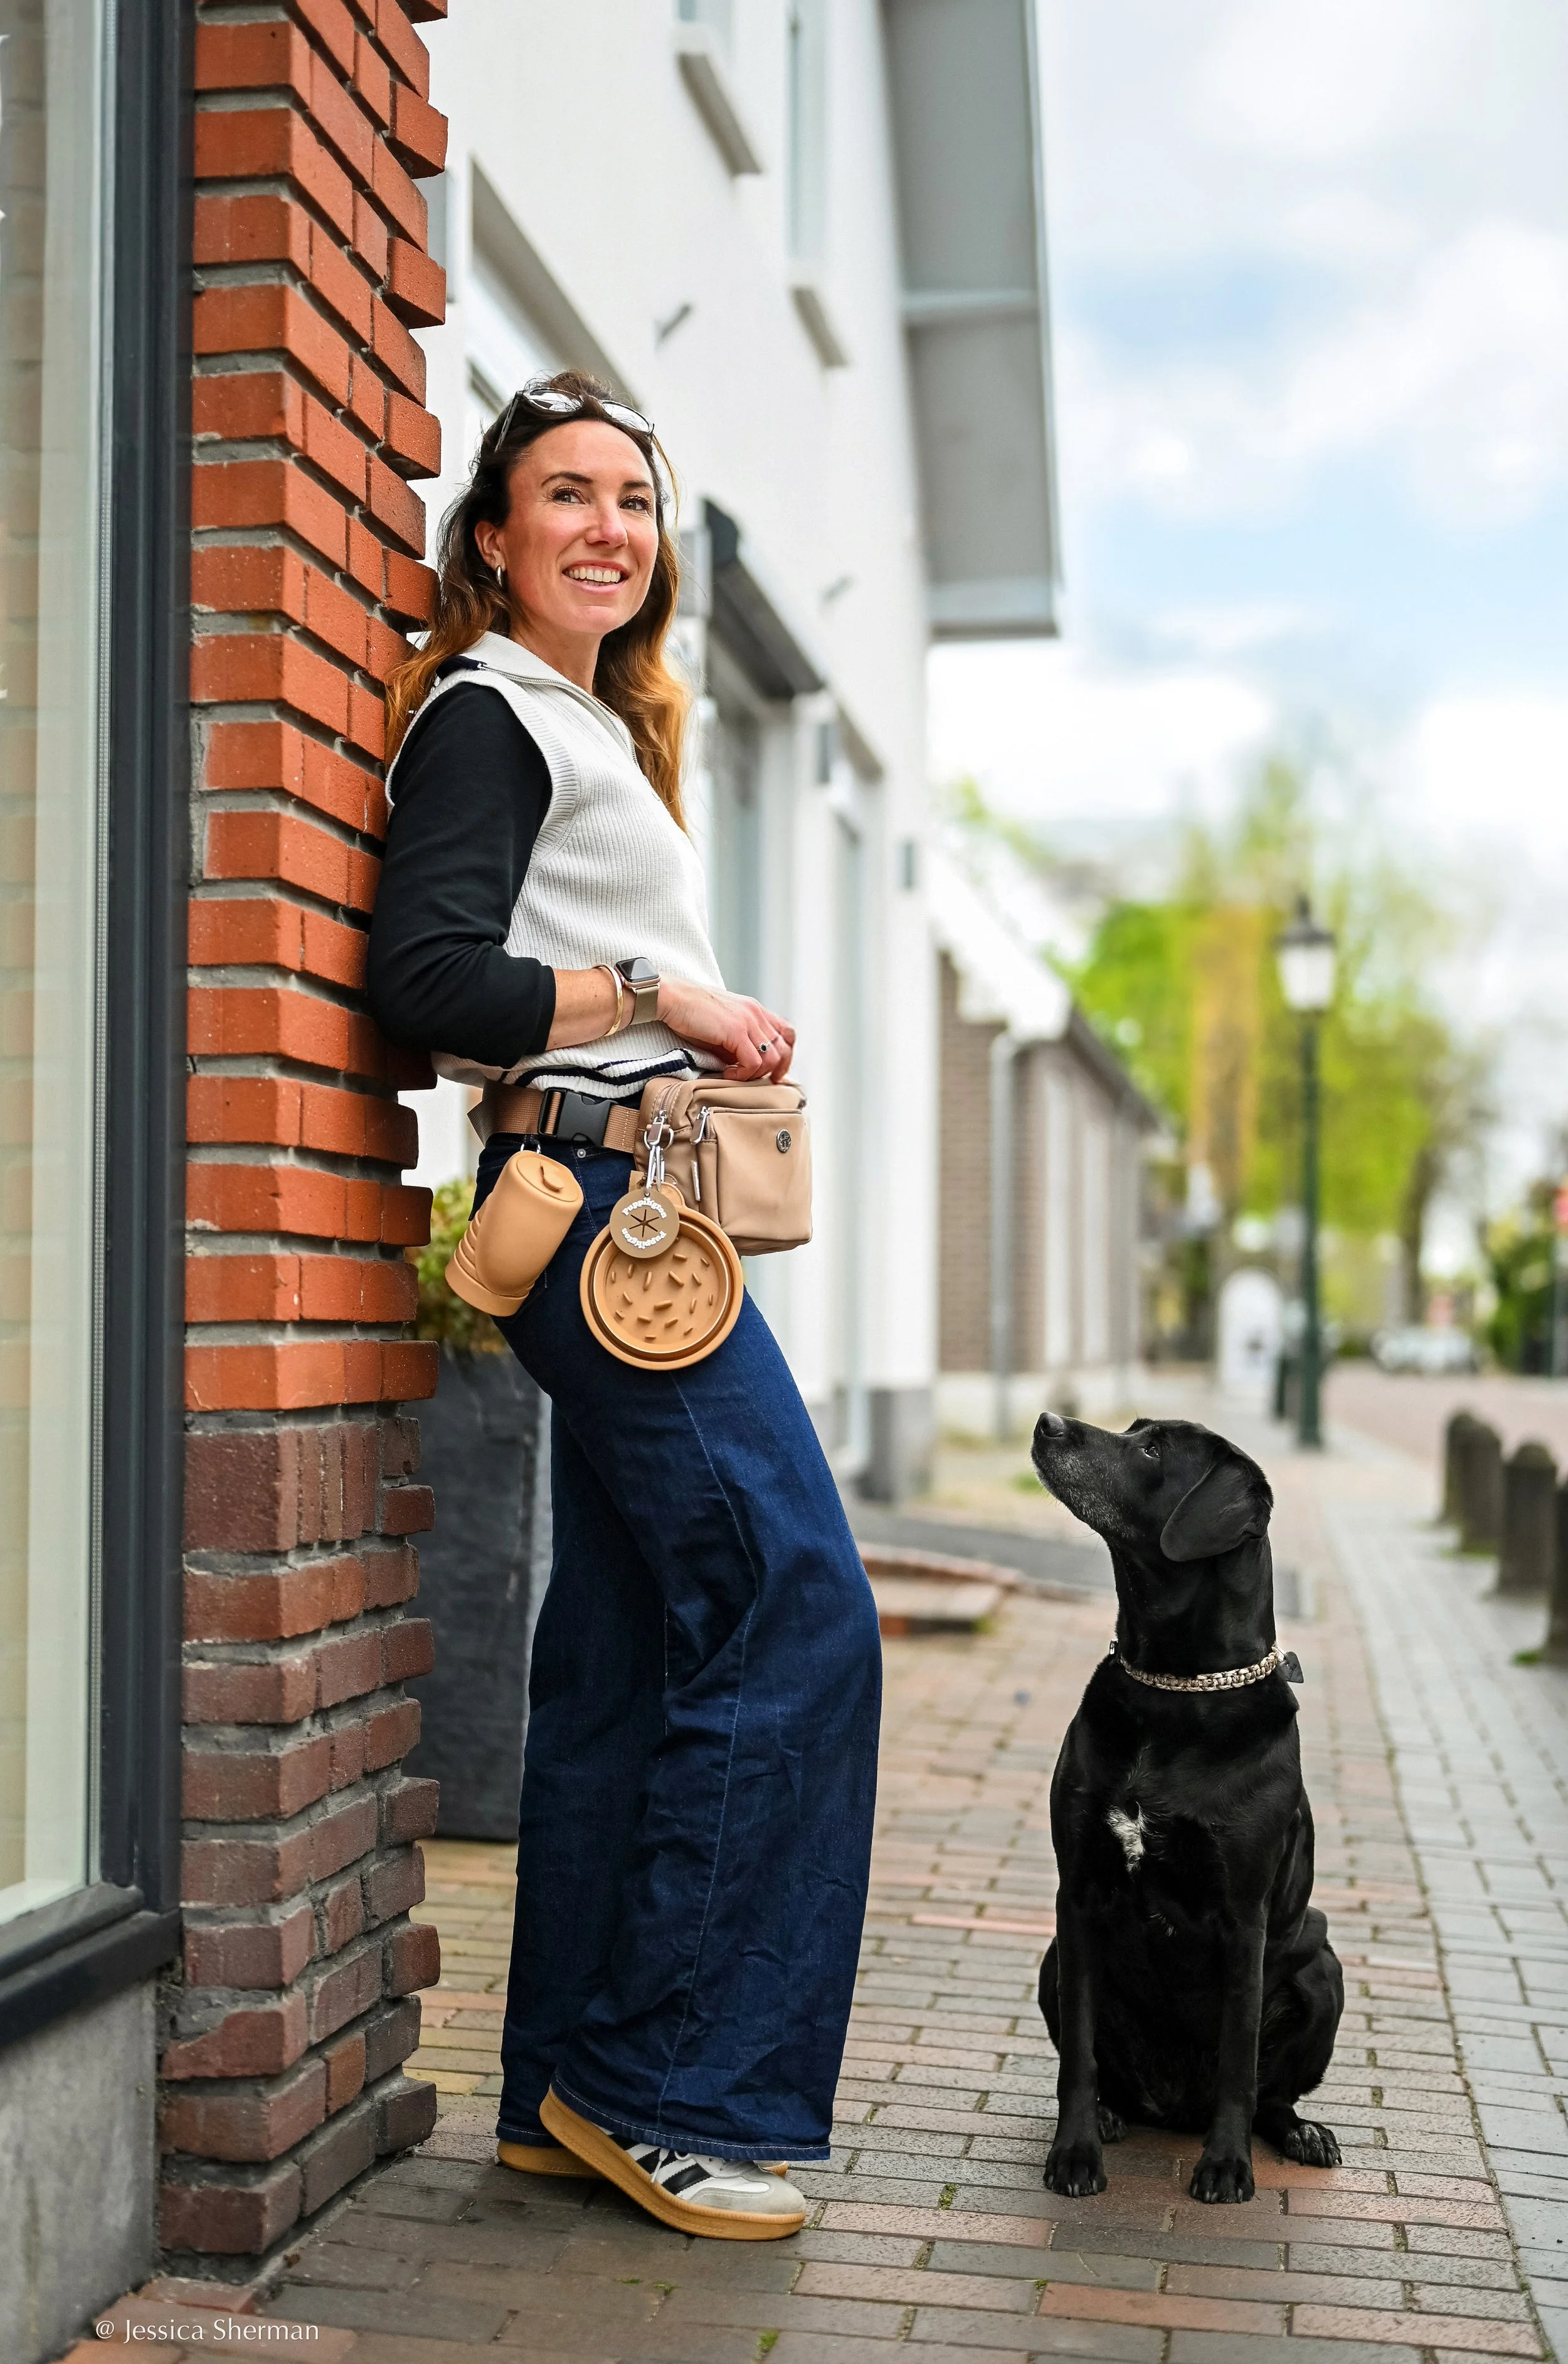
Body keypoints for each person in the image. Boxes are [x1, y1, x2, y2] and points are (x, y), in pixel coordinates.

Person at [368, 371, 882, 2242]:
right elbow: (425, 976)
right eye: (564, 495)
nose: (606, 526)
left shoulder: (591, 723)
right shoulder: (495, 718)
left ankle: (555, 2097)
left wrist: (664, 998)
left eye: (633, 503)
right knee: (799, 1612)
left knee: (627, 1655)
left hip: (629, 1203)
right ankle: (663, 2086)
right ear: (491, 537)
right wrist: (662, 990)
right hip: (600, 1211)